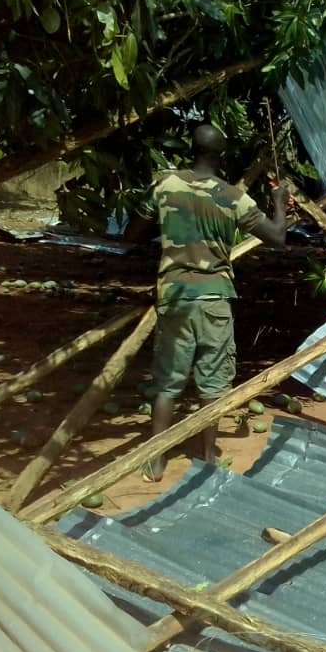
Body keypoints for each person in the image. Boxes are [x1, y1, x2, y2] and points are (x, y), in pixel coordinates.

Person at [126, 123, 288, 480]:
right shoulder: (233, 197)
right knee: (213, 387)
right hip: (214, 297)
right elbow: (277, 237)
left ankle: (156, 459)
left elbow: (133, 234)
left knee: (167, 382)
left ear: (191, 150)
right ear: (221, 156)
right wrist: (278, 204)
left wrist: (174, 224)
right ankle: (208, 459)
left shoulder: (165, 185)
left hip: (174, 296)